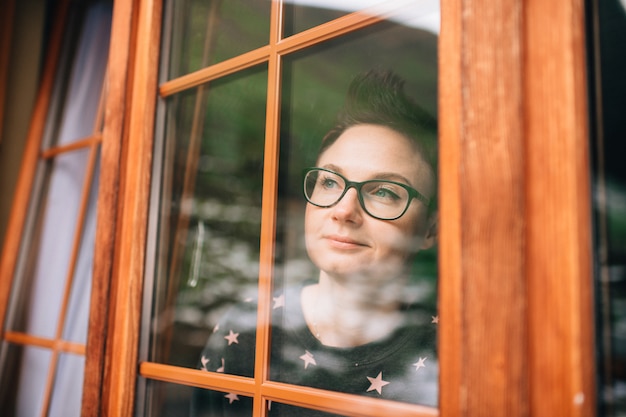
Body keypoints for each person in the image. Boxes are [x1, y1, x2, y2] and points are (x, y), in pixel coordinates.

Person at [191, 70, 438, 416]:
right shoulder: (247, 329)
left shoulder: (449, 357)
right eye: (330, 182)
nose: (343, 210)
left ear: (431, 229)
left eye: (384, 191)